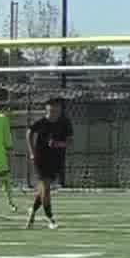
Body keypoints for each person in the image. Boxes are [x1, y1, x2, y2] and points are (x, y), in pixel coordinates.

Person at [27, 96, 74, 230]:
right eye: (52, 108)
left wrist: (58, 144)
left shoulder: (65, 123)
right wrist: (31, 152)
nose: (55, 110)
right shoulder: (41, 122)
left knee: (43, 189)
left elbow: (70, 142)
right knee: (46, 188)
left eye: (57, 108)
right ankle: (50, 219)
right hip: (41, 158)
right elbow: (29, 132)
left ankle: (33, 210)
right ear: (47, 109)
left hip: (56, 159)